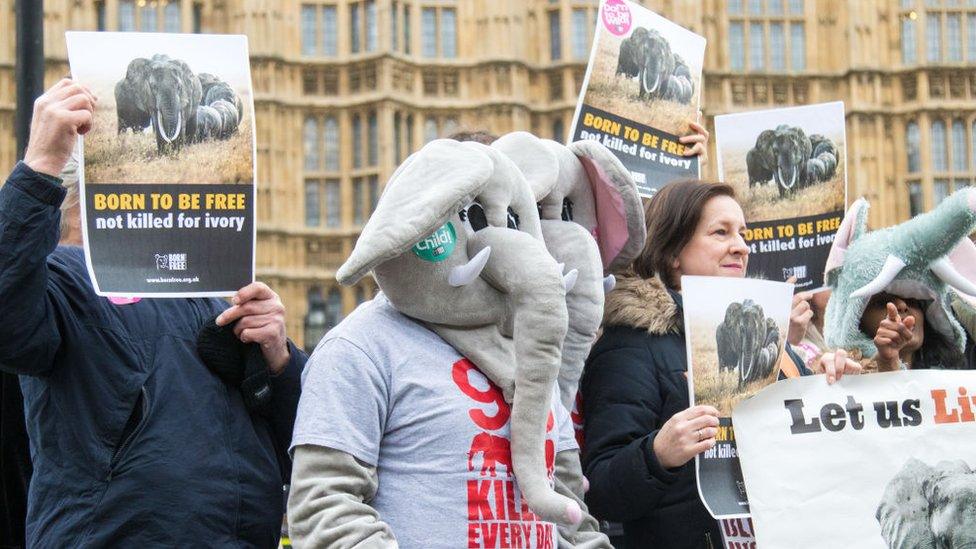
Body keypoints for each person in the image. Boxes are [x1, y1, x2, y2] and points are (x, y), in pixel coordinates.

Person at [0, 79, 304, 547]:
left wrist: (280, 359)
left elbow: (308, 441)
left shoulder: (212, 291)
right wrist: (39, 167)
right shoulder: (63, 278)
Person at [579, 180, 860, 548]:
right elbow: (600, 491)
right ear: (672, 252)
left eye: (743, 234)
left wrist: (830, 390)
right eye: (721, 232)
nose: (740, 247)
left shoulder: (769, 333)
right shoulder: (632, 345)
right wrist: (658, 454)